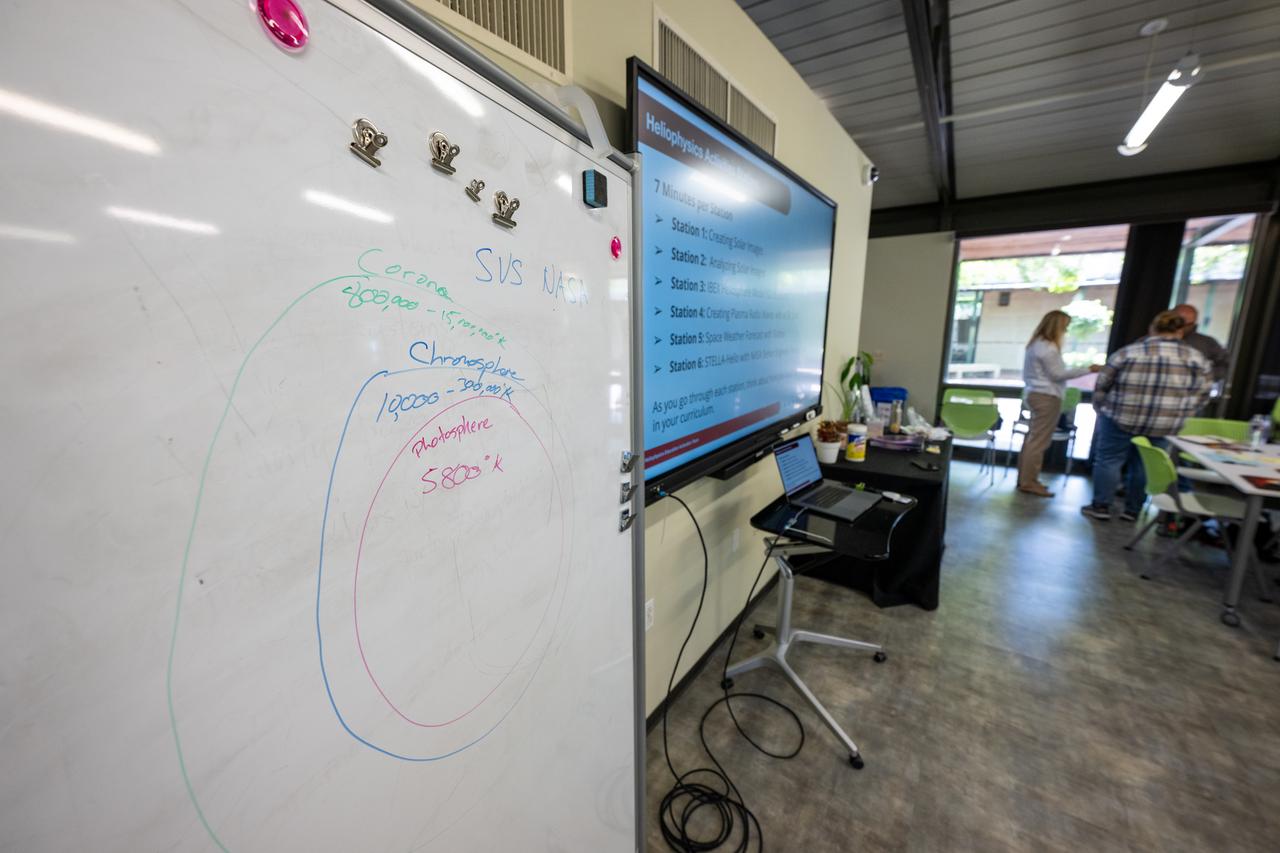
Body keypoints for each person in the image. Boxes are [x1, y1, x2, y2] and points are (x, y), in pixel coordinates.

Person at [1082, 310, 1212, 522]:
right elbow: (1202, 394)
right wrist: (1182, 413)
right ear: (1181, 331)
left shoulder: (1129, 353)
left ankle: (1101, 506)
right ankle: (1132, 510)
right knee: (1144, 464)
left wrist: (1100, 409)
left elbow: (1102, 384)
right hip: (1164, 423)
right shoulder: (1196, 359)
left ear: (1152, 328)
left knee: (1108, 461)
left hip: (1120, 417)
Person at [1017, 310, 1101, 497]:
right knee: (1038, 442)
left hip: (1035, 394)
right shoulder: (1048, 348)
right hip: (1046, 396)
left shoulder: (1036, 344)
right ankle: (1029, 482)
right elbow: (1058, 375)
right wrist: (1088, 369)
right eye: (1065, 326)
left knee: (1032, 440)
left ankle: (1026, 479)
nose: (1066, 330)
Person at [1173, 303, 1229, 384]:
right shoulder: (1154, 339)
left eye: (1188, 324)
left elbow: (1225, 365)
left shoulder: (1206, 342)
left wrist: (1203, 378)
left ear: (1194, 323)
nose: (1183, 327)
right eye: (1180, 322)